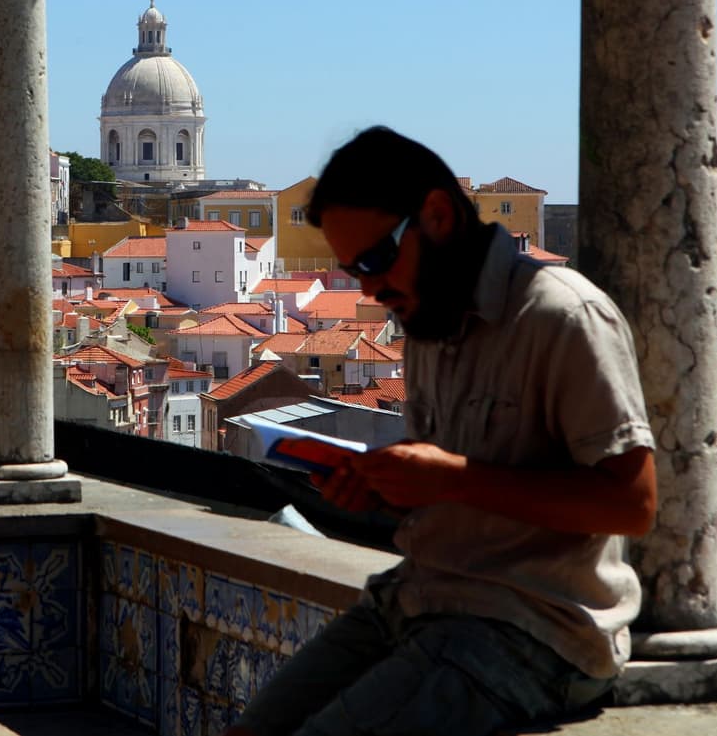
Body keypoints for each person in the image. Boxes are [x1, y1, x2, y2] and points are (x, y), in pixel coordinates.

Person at [226, 127, 657, 736]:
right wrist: (384, 489)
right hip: (417, 597)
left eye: (375, 260)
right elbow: (453, 485)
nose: (370, 288)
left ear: (435, 215)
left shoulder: (563, 317)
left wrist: (452, 478)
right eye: (354, 271)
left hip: (532, 630)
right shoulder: (425, 317)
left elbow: (631, 504)